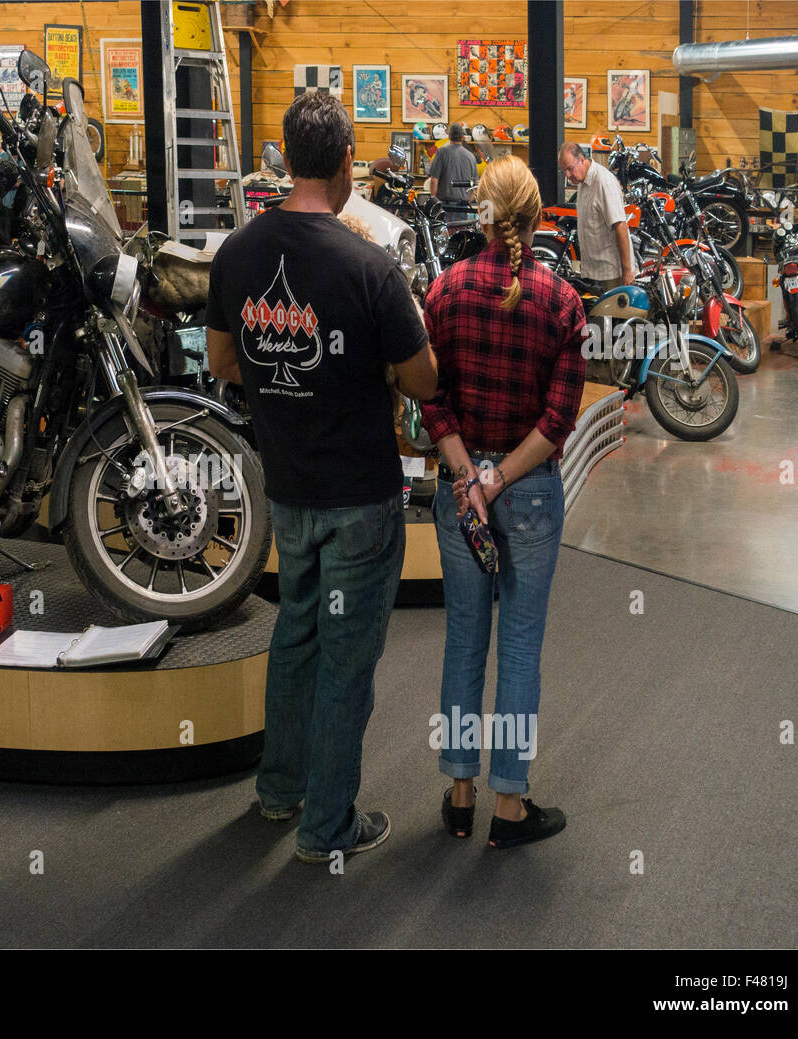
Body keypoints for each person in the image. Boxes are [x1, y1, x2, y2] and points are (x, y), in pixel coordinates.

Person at [206, 91, 437, 864]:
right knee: (347, 659)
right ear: (344, 162)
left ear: (284, 157)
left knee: (296, 634)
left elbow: (223, 361)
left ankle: (279, 791)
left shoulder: (237, 253)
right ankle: (327, 826)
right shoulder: (369, 264)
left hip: (289, 488)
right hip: (360, 496)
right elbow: (424, 381)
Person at [420, 156, 586, 849]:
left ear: (480, 215)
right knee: (519, 649)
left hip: (462, 495)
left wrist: (469, 477)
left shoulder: (444, 290)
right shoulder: (561, 302)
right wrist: (499, 479)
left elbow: (430, 399)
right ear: (538, 215)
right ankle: (509, 808)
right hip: (530, 495)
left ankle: (459, 795)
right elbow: (557, 420)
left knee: (464, 641)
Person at [558, 141, 634, 288]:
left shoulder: (604, 182)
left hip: (612, 273)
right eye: (563, 171)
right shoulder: (582, 182)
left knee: (612, 311)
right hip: (594, 271)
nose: (567, 176)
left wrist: (627, 272)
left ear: (581, 159)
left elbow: (620, 227)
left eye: (570, 169)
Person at [428, 123, 479, 222]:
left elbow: (434, 180)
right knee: (460, 234)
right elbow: (475, 186)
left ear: (449, 136)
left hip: (444, 206)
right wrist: (467, 200)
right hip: (462, 207)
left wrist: (434, 200)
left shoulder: (441, 152)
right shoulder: (471, 156)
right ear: (463, 137)